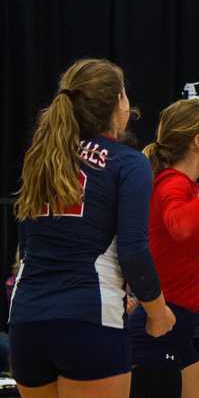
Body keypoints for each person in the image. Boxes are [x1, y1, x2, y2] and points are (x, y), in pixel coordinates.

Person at [8, 58, 175, 398]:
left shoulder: (41, 157)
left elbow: (28, 246)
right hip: (88, 318)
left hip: (26, 320)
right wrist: (158, 312)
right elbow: (134, 251)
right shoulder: (128, 162)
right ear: (117, 103)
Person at [129, 98, 199, 398]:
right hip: (159, 327)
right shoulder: (172, 183)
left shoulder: (187, 186)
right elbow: (182, 226)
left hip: (176, 328)